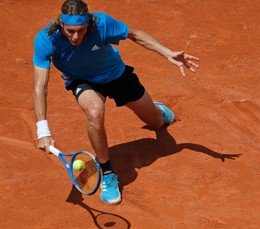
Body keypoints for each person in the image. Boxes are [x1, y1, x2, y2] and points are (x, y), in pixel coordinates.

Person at [33, 0, 199, 205]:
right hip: (83, 82)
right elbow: (40, 87)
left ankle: (157, 111)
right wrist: (43, 130)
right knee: (94, 113)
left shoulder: (102, 24)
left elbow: (135, 34)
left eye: (81, 30)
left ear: (88, 25)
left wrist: (167, 53)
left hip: (116, 75)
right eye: (70, 31)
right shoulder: (46, 39)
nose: (75, 36)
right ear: (61, 25)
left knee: (156, 122)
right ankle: (108, 172)